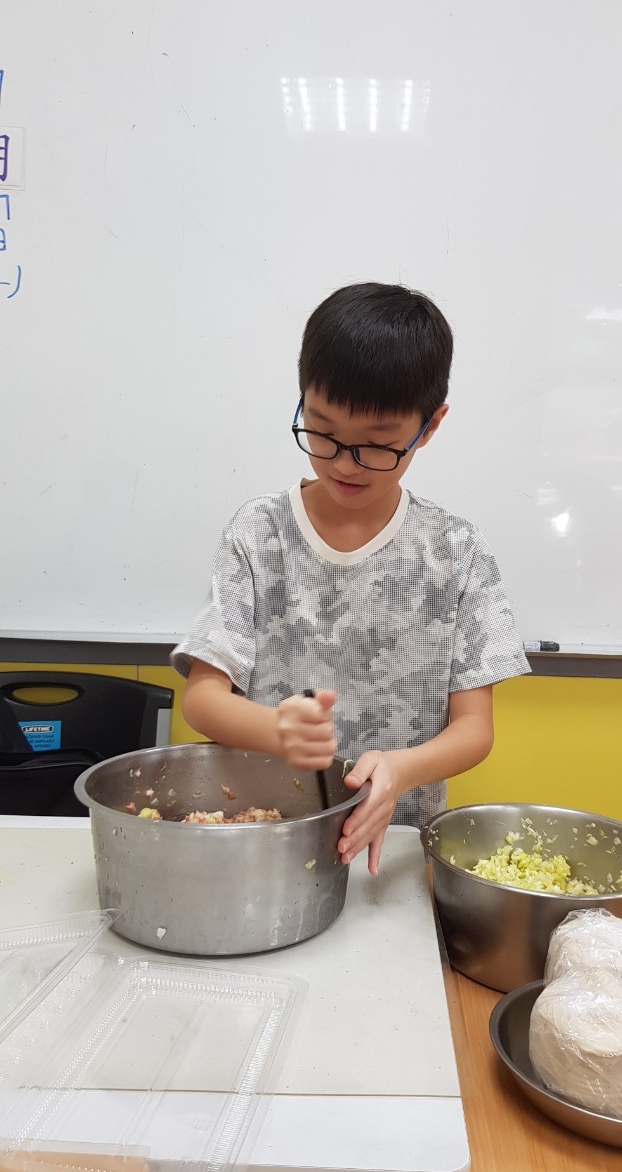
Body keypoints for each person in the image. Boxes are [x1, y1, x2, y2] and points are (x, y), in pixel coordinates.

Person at [171, 283, 530, 874]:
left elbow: (474, 730)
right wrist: (275, 728)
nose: (343, 462)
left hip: (397, 851)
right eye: (323, 431)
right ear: (302, 401)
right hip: (265, 839)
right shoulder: (258, 533)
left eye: (377, 445)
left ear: (429, 426)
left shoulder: (456, 550)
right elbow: (204, 700)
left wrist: (401, 767)